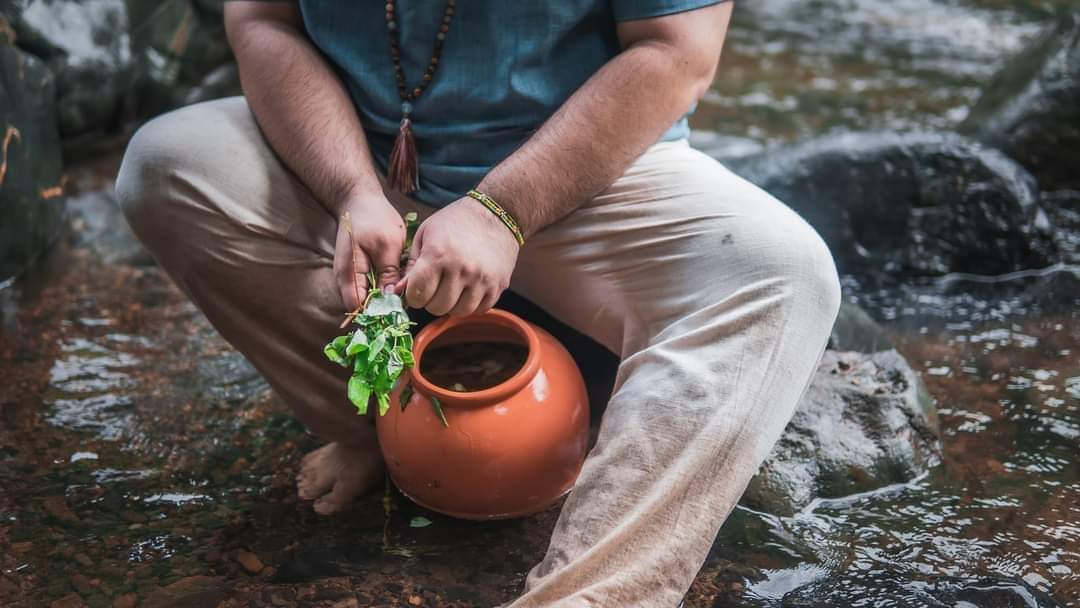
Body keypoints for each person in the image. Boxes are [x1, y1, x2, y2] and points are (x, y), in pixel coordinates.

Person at [115, 1, 841, 605]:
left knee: (783, 272)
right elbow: (261, 19)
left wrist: (503, 210)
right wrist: (350, 190)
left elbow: (678, 51)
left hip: (587, 176)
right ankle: (384, 430)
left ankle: (589, 593)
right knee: (167, 164)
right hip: (354, 155)